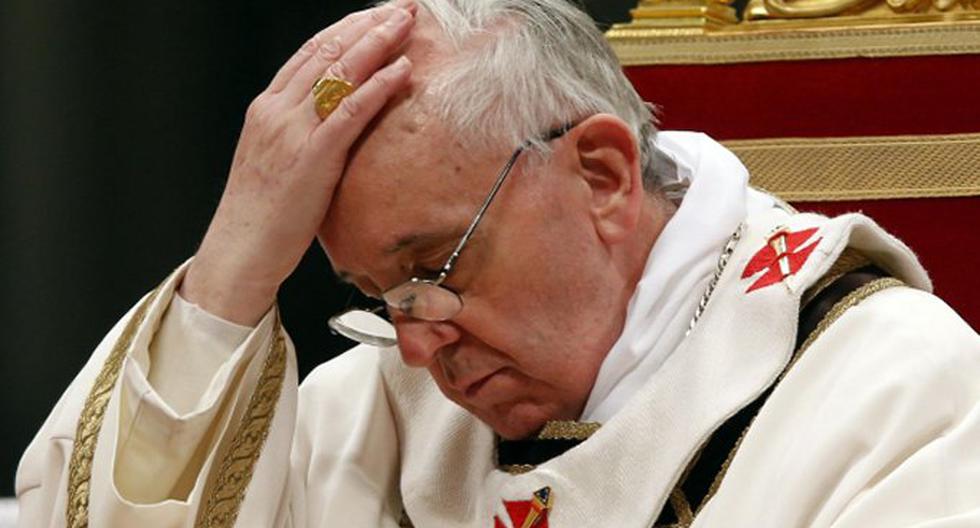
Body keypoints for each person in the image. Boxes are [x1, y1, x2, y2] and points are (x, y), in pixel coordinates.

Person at [16, 0, 980, 526]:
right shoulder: (379, 413)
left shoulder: (894, 395)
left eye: (435, 266)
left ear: (601, 173)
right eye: (375, 299)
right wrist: (233, 266)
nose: (420, 342)